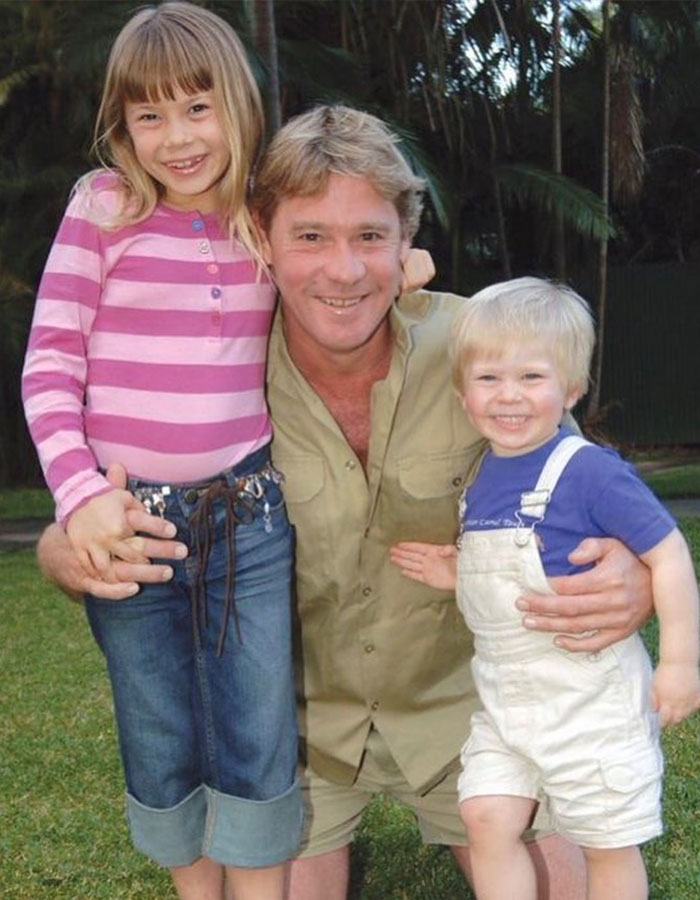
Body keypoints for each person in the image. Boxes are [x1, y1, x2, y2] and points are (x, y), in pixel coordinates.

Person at [37, 105, 655, 900]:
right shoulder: (211, 378)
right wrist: (63, 548)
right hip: (298, 734)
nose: (343, 270)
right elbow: (105, 491)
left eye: (369, 237)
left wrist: (634, 576)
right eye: (310, 237)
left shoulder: (482, 352)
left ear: (406, 245)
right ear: (261, 239)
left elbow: (589, 497)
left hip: (473, 715)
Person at [22, 4, 303, 899]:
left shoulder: (266, 213)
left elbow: (350, 241)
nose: (177, 138)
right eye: (151, 116)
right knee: (160, 731)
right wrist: (80, 497)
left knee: (257, 731)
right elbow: (49, 367)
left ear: (239, 103)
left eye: (197, 107)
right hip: (127, 524)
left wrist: (404, 264)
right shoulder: (104, 207)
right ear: (123, 125)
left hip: (249, 518)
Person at [390, 277, 700, 900]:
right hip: (505, 700)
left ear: (572, 389)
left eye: (532, 378)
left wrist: (681, 662)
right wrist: (456, 572)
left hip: (588, 698)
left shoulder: (587, 470)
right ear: (462, 390)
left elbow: (669, 555)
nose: (509, 397)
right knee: (485, 814)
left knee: (606, 840)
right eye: (489, 379)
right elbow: (504, 577)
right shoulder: (484, 476)